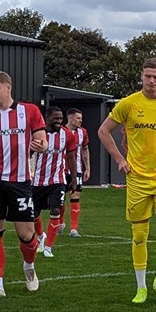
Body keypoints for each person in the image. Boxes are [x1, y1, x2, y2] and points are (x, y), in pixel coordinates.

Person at [98, 59, 156, 303]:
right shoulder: (128, 104)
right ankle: (141, 287)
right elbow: (103, 131)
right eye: (148, 76)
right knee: (139, 235)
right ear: (142, 76)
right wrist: (119, 159)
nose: (151, 80)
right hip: (137, 178)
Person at [0, 71, 48, 299]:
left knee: (26, 234)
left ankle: (29, 267)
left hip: (20, 181)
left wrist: (42, 146)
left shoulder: (29, 111)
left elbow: (42, 138)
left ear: (8, 88)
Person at [35, 107, 70, 256]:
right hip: (37, 180)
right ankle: (41, 236)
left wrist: (73, 178)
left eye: (61, 119)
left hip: (58, 179)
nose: (59, 121)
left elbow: (72, 156)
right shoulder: (37, 133)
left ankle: (49, 247)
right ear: (47, 117)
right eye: (56, 118)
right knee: (33, 214)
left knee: (55, 210)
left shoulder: (66, 134)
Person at [62, 108, 89, 236]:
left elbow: (84, 150)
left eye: (81, 118)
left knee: (75, 197)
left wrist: (87, 168)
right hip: (60, 170)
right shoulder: (60, 131)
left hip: (77, 170)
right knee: (59, 199)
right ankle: (60, 223)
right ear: (70, 118)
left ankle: (74, 229)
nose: (80, 121)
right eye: (78, 118)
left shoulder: (82, 132)